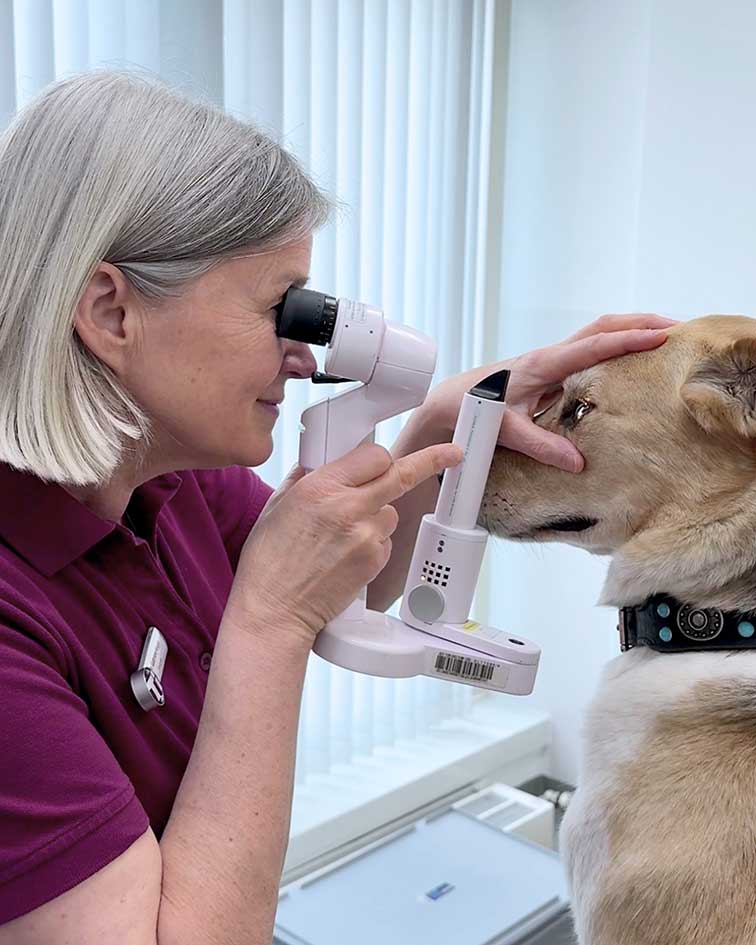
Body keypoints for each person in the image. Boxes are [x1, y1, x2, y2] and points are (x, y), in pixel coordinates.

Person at [0, 70, 674, 945]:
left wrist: (447, 430)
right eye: (280, 307)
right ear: (110, 311)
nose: (305, 354)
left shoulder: (167, 478)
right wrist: (269, 620)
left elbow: (352, 592)